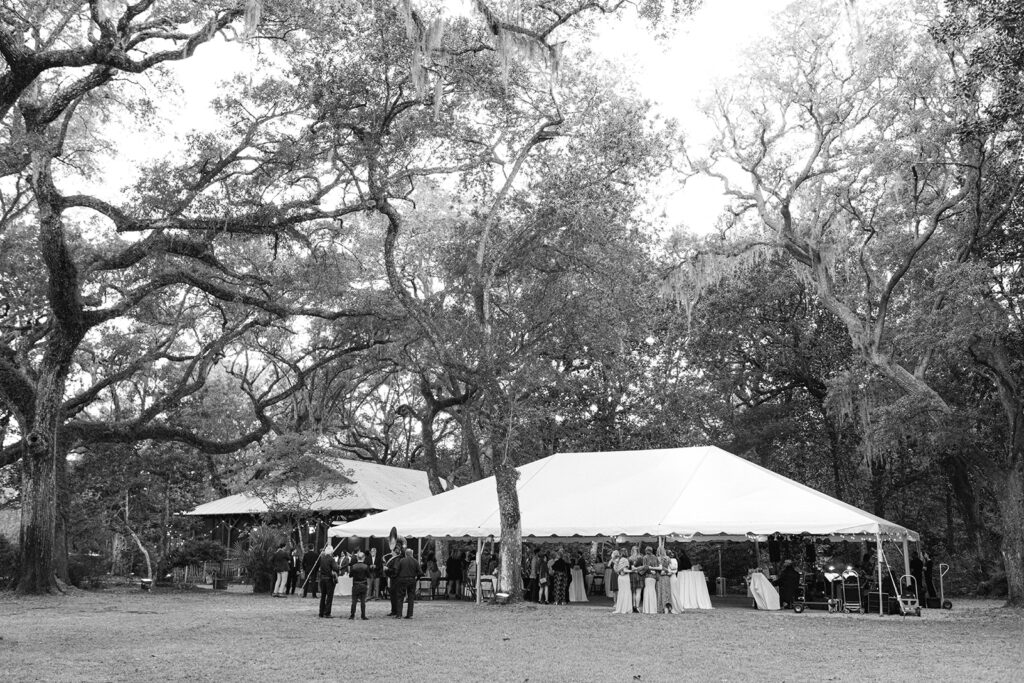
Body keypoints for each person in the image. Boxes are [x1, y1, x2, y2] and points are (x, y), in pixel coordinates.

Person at [395, 548, 421, 618]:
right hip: (412, 580)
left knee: (400, 597)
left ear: (406, 554)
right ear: (412, 554)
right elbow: (420, 572)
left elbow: (397, 571)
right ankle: (409, 614)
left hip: (402, 579)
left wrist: (397, 577)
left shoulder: (401, 561)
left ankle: (399, 614)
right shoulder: (415, 561)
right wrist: (417, 578)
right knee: (411, 597)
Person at [317, 544, 340, 618]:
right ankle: (327, 613)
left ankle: (321, 612)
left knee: (323, 596)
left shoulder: (322, 558)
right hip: (329, 579)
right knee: (329, 597)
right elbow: (336, 568)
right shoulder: (331, 559)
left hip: (322, 579)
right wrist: (337, 565)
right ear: (331, 552)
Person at [348, 551, 370, 620]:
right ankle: (363, 615)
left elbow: (350, 575)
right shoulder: (366, 566)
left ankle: (352, 615)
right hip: (363, 584)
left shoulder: (353, 566)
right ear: (363, 558)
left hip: (355, 585)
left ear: (357, 558)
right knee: (363, 601)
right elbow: (368, 575)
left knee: (354, 601)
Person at [385, 548, 402, 616]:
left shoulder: (397, 559)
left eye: (392, 551)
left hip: (395, 580)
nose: (391, 552)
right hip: (393, 579)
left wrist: (387, 569)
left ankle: (395, 611)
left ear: (395, 552)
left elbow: (395, 570)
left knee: (394, 596)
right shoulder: (395, 559)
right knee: (392, 596)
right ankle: (394, 610)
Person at [629, 546, 643, 613]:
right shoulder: (640, 557)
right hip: (639, 575)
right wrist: (638, 569)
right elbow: (643, 567)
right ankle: (637, 607)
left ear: (632, 550)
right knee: (638, 592)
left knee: (633, 592)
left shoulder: (630, 558)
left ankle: (633, 606)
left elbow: (631, 568)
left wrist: (635, 569)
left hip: (632, 575)